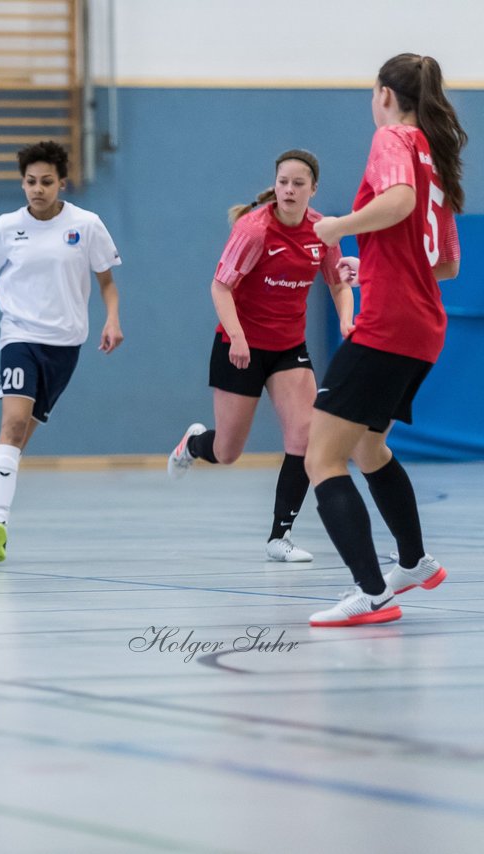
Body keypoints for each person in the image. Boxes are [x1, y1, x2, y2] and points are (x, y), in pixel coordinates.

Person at [305, 53, 466, 627]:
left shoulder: (393, 139)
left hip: (391, 326)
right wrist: (365, 265)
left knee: (320, 456)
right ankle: (415, 561)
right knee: (369, 448)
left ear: (384, 95)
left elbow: (395, 203)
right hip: (423, 326)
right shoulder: (436, 157)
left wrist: (338, 228)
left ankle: (370, 592)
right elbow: (444, 264)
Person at [167, 150, 354, 564]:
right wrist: (236, 337)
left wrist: (346, 320)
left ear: (313, 189)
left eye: (298, 184)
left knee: (304, 439)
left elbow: (339, 283)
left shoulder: (322, 231)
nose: (289, 190)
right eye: (283, 182)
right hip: (241, 346)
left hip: (288, 348)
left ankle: (279, 536)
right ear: (276, 184)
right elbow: (221, 288)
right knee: (228, 451)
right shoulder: (254, 231)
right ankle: (194, 444)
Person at [0, 140, 124, 563]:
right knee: (11, 428)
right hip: (19, 337)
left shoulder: (86, 225)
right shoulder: (5, 228)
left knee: (16, 443)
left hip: (66, 344)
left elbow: (105, 280)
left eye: (47, 181)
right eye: (30, 181)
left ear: (62, 183)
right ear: (22, 183)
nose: (37, 188)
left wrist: (112, 319)